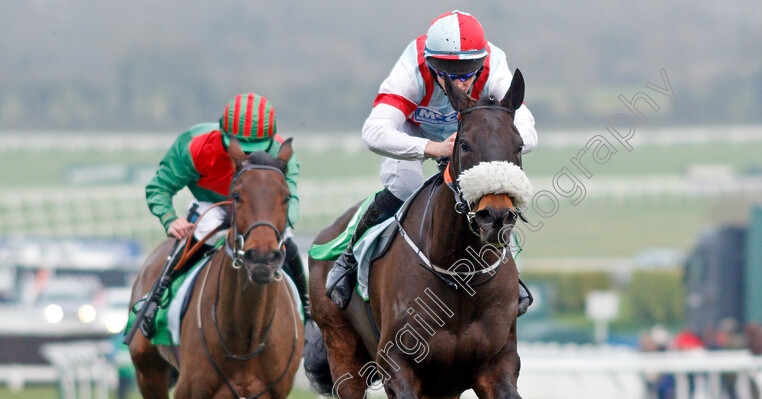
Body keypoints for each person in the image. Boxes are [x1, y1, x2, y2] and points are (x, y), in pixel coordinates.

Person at [325, 10, 538, 314]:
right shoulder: (412, 71)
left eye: (466, 76)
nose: (459, 85)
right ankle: (348, 259)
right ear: (431, 64)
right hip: (414, 132)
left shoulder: (495, 67)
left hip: (469, 138)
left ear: (480, 65)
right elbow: (373, 132)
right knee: (403, 186)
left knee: (493, 195)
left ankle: (510, 272)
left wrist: (484, 149)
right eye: (448, 77)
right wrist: (431, 148)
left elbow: (528, 134)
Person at [138, 93, 310, 337]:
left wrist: (279, 223)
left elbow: (290, 199)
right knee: (201, 231)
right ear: (223, 133)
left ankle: (308, 309)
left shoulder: (280, 152)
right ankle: (157, 298)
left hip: (258, 211)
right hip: (212, 204)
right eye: (242, 148)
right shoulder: (194, 146)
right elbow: (159, 187)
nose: (248, 157)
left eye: (257, 149)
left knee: (288, 240)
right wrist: (169, 218)